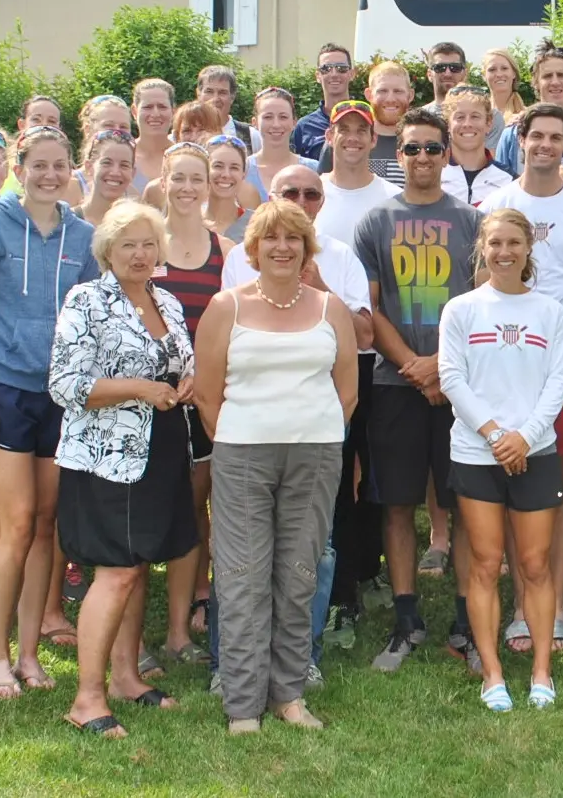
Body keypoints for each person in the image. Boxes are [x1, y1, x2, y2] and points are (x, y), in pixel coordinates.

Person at [193, 200, 359, 733]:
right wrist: (240, 435)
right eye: (272, 239)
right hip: (243, 455)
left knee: (299, 572)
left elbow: (347, 392)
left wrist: (315, 431)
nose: (283, 248)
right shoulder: (227, 306)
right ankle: (243, 703)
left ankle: (288, 694)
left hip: (314, 453)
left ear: (308, 248)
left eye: (294, 239)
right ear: (254, 248)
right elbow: (207, 393)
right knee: (242, 576)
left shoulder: (330, 309)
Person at [0, 125, 99, 697]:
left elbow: (89, 321)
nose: (49, 174)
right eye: (38, 164)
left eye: (59, 165)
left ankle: (31, 651)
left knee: (44, 525)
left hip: (59, 398)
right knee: (15, 524)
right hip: (4, 393)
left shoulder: (83, 237)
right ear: (20, 167)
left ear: (70, 170)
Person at [47, 202, 197, 738]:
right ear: (107, 251)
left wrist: (186, 385)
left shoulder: (169, 301)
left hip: (160, 452)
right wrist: (139, 389)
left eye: (148, 243)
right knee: (115, 570)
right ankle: (86, 698)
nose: (140, 254)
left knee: (137, 566)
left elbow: (182, 364)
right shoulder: (87, 300)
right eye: (128, 244)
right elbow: (64, 384)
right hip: (107, 457)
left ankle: (127, 677)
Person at [225, 165, 378, 676]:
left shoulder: (341, 258)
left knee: (313, 551)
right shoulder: (237, 266)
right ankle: (233, 666)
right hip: (246, 441)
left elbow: (359, 346)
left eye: (311, 193)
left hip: (314, 440)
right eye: (290, 192)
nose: (301, 199)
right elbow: (213, 377)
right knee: (243, 557)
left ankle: (300, 659)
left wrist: (320, 284)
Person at [352, 107, 485, 671]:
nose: (424, 158)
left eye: (434, 148)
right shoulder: (374, 221)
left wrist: (442, 369)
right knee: (399, 504)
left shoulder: (472, 221)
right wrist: (413, 365)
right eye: (412, 149)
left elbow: (484, 304)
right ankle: (407, 620)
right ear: (398, 155)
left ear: (447, 152)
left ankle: (466, 620)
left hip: (459, 386)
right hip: (394, 382)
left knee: (461, 506)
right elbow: (371, 307)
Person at [482, 103, 563, 654]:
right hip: (505, 365)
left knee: (562, 483)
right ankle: (519, 604)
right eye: (535, 136)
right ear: (521, 139)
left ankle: (554, 602)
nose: (544, 145)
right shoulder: (496, 204)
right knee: (513, 477)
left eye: (555, 137)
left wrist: (552, 344)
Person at [438, 209, 563, 711]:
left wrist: (525, 437)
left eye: (513, 243)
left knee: (536, 564)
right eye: (495, 243)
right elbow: (452, 378)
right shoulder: (462, 310)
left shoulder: (550, 311)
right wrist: (496, 435)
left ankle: (541, 670)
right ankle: (492, 673)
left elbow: (558, 382)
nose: (504, 252)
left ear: (527, 249)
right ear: (482, 248)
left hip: (535, 451)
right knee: (485, 564)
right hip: (476, 453)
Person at [148, 142, 224, 665]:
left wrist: (205, 375)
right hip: (150, 398)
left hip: (208, 397)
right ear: (164, 180)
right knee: (150, 509)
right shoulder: (144, 245)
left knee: (195, 510)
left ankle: (179, 632)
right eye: (180, 178)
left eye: (198, 178)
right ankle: (131, 636)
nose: (189, 188)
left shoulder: (227, 251)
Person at [316, 100, 403, 245]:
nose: (352, 138)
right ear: (329, 137)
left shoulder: (395, 200)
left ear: (373, 139)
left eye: (361, 130)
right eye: (343, 130)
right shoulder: (310, 196)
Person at [318, 61, 412, 185]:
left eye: (398, 91)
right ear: (369, 94)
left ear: (410, 95)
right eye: (382, 91)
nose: (390, 99)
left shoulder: (419, 142)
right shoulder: (341, 142)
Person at [494, 43, 563, 175]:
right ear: (535, 82)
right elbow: (500, 183)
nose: (555, 82)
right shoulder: (513, 134)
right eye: (547, 76)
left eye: (561, 75)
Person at [440, 87, 514, 207]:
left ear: (489, 124)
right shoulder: (432, 175)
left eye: (475, 117)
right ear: (448, 125)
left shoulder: (508, 180)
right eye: (460, 117)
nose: (467, 124)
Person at [291, 43, 355, 160]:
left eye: (341, 68)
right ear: (318, 76)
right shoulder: (304, 126)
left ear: (351, 74)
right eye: (326, 69)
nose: (334, 74)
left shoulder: (367, 119)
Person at [249, 87, 316, 196]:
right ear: (255, 122)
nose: (276, 124)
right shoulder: (242, 170)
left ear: (294, 122)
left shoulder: (313, 169)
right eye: (268, 117)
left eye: (283, 117)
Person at [76, 128, 136, 225]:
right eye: (107, 163)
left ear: (133, 173)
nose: (115, 172)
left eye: (124, 165)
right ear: (89, 167)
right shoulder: (66, 222)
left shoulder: (137, 225)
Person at [129, 79, 176, 192]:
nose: (155, 114)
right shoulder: (122, 156)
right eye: (148, 107)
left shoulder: (183, 156)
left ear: (173, 111)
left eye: (162, 107)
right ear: (134, 112)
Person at [205, 135, 254, 242]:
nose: (226, 174)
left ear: (243, 174)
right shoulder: (189, 220)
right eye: (218, 166)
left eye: (234, 168)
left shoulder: (257, 224)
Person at [195, 64, 256, 149]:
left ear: (232, 97)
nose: (215, 99)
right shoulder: (185, 134)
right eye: (209, 91)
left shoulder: (251, 136)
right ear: (198, 94)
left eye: (222, 92)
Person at [482, 47, 526, 129]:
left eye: (504, 68)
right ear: (484, 76)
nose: (499, 74)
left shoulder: (526, 116)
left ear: (514, 73)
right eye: (492, 69)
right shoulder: (477, 116)